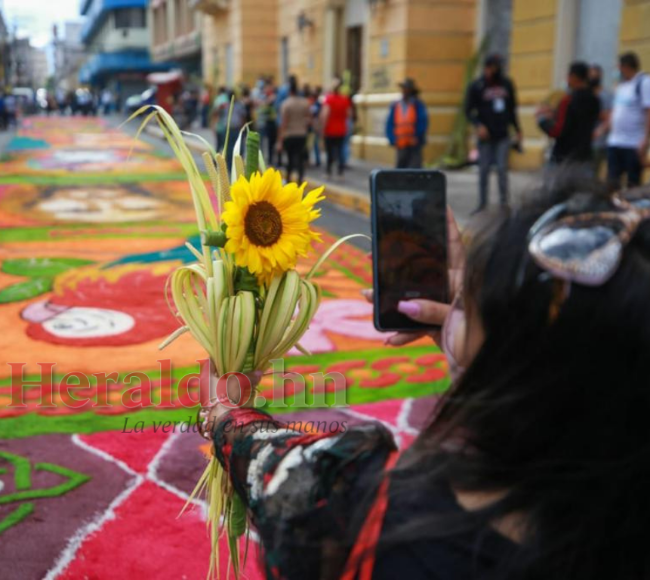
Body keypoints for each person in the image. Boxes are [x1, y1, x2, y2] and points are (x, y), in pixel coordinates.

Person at [198, 173, 650, 580]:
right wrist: (474, 342)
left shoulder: (371, 515)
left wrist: (223, 414)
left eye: (471, 306)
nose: (458, 309)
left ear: (516, 371)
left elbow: (278, 474)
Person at [465, 54, 522, 212]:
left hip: (502, 134)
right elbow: (468, 111)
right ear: (487, 67)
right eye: (493, 67)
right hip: (485, 137)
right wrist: (479, 126)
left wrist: (518, 130)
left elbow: (512, 110)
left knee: (502, 169)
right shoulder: (477, 86)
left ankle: (504, 204)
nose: (496, 70)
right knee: (483, 170)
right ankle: (482, 204)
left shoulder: (507, 84)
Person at [537, 61, 601, 167]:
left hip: (563, 159)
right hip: (585, 157)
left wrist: (542, 120)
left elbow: (558, 130)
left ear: (574, 77)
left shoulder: (568, 100)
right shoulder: (595, 100)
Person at [606, 52, 650, 189]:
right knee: (612, 183)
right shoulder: (622, 85)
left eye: (619, 67)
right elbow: (616, 111)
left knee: (633, 184)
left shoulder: (643, 82)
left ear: (626, 67)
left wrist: (645, 139)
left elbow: (648, 111)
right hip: (615, 142)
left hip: (633, 143)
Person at [385, 78, 429, 169]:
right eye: (404, 88)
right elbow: (390, 123)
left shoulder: (417, 104)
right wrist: (392, 139)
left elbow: (422, 122)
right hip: (400, 142)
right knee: (401, 167)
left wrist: (417, 136)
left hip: (414, 142)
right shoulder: (396, 105)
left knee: (415, 167)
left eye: (407, 88)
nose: (405, 91)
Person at [277, 76, 312, 183]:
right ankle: (300, 179)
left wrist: (280, 140)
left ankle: (288, 179)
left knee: (290, 158)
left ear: (289, 91)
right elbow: (309, 119)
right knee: (300, 158)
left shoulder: (286, 104)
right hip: (301, 134)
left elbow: (283, 123)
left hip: (289, 134)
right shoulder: (305, 102)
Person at [320, 78, 352, 177]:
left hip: (330, 130)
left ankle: (328, 171)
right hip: (341, 129)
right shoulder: (345, 99)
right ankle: (340, 171)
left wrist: (323, 128)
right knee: (340, 150)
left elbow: (325, 114)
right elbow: (349, 114)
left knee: (329, 151)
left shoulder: (328, 99)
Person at [590, 65, 612, 174]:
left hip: (599, 141)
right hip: (585, 142)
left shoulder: (606, 95)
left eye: (595, 76)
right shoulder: (586, 93)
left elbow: (609, 117)